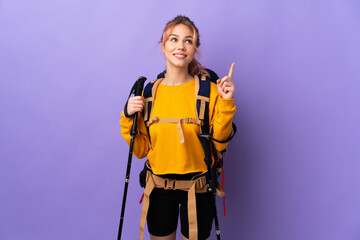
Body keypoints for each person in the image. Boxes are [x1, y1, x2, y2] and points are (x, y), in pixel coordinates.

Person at [120, 15, 236, 240]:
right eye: (173, 39)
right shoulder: (149, 93)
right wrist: (127, 116)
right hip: (158, 189)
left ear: (195, 48)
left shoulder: (210, 91)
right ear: (163, 46)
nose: (180, 46)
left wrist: (226, 102)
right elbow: (141, 150)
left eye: (188, 40)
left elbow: (220, 142)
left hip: (199, 189)